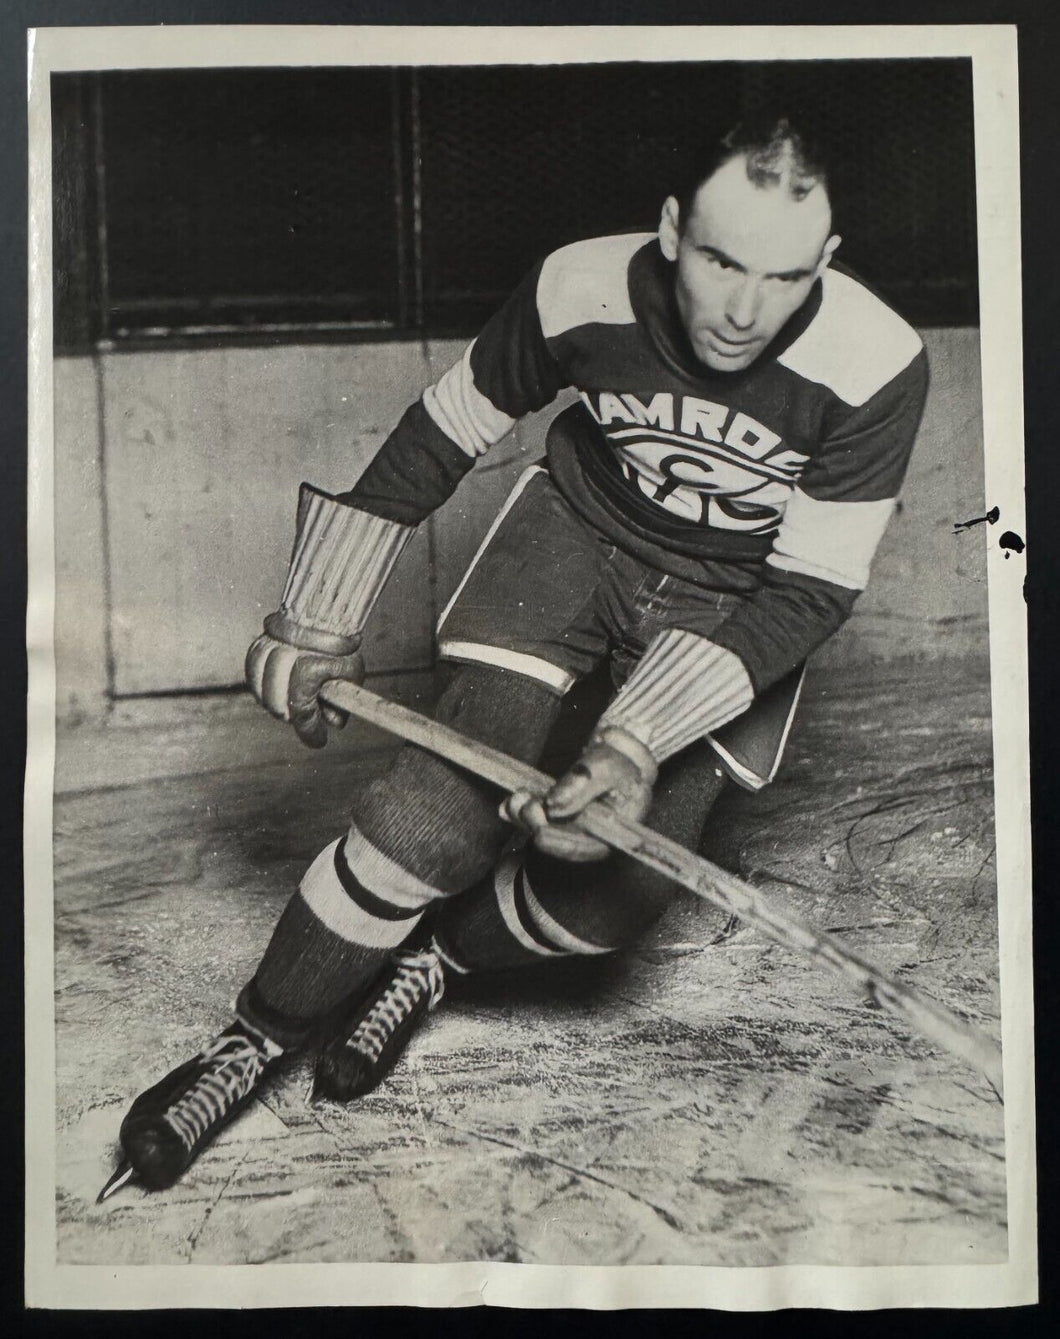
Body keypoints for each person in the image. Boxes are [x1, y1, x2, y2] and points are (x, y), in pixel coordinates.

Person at [109, 116, 928, 1193]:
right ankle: (256, 1036)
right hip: (579, 540)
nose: (742, 309)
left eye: (781, 277)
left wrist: (635, 742)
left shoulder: (876, 362)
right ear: (673, 230)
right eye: (722, 261)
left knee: (607, 902)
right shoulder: (577, 286)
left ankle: (431, 962)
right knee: (426, 821)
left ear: (824, 262)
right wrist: (317, 610)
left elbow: (806, 589)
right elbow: (447, 427)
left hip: (736, 601)